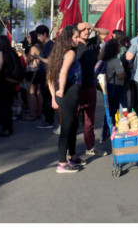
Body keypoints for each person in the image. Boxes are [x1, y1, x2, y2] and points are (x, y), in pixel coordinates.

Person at [46, 25, 82, 173]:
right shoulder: (70, 54)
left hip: (65, 94)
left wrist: (54, 96)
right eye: (75, 37)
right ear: (68, 39)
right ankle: (62, 163)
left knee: (72, 125)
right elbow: (64, 72)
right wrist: (59, 91)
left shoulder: (57, 53)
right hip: (69, 93)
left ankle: (72, 156)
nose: (78, 40)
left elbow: (50, 77)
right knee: (67, 127)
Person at [75, 22, 108, 155]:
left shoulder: (92, 43)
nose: (86, 32)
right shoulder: (73, 46)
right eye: (83, 30)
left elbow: (105, 32)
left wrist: (93, 28)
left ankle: (90, 147)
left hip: (90, 86)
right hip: (76, 88)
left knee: (89, 120)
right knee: (73, 120)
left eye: (88, 30)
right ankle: (70, 153)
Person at [98, 37, 127, 145]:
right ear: (115, 49)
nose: (120, 47)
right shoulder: (116, 61)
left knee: (109, 111)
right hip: (116, 87)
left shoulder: (104, 59)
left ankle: (105, 133)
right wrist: (124, 73)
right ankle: (113, 132)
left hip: (108, 86)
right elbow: (120, 75)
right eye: (118, 46)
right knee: (120, 109)